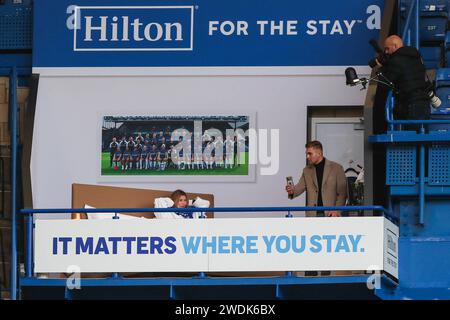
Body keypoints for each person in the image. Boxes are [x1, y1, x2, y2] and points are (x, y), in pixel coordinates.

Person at [285, 140, 347, 218]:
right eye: (307, 154)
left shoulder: (337, 168)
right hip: (312, 215)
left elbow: (342, 194)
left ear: (319, 153)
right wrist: (292, 190)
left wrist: (336, 211)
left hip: (332, 215)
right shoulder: (306, 170)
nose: (307, 157)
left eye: (310, 154)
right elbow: (299, 188)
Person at [375, 35, 430, 121]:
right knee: (422, 132)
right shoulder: (416, 56)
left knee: (408, 133)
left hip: (410, 104)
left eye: (387, 48)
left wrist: (381, 68)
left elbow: (385, 83)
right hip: (424, 102)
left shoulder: (395, 61)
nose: (386, 52)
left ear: (395, 46)